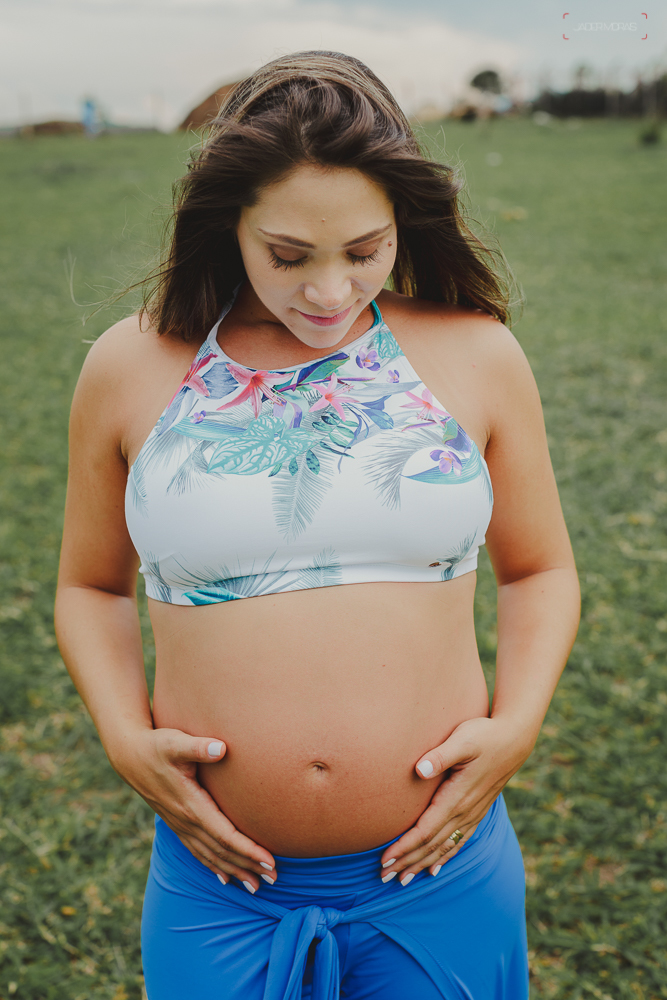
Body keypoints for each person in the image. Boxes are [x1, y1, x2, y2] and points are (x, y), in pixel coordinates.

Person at [55, 51, 580, 1000]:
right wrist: (123, 737)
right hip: (220, 892)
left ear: (401, 226)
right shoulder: (131, 368)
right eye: (288, 256)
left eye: (365, 251)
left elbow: (540, 570)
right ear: (230, 228)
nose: (331, 294)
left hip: (439, 878)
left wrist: (518, 725)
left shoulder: (475, 354)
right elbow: (90, 586)